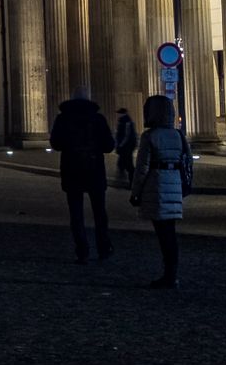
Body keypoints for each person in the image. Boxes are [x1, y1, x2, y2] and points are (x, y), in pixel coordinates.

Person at [130, 94, 191, 288]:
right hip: (174, 185)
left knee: (163, 233)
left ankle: (168, 276)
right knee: (170, 233)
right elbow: (187, 162)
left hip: (156, 185)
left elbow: (142, 168)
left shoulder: (150, 136)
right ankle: (172, 273)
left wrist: (135, 192)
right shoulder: (179, 135)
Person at [49, 91, 115, 263]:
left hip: (72, 170)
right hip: (95, 170)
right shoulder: (98, 119)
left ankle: (82, 251)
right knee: (100, 213)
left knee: (76, 214)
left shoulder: (63, 119)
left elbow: (55, 143)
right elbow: (109, 146)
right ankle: (103, 248)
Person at [113, 108, 137, 188]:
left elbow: (126, 135)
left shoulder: (125, 121)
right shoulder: (126, 121)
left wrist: (120, 145)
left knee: (127, 164)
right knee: (124, 163)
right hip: (127, 146)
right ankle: (128, 181)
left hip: (126, 146)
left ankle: (131, 182)